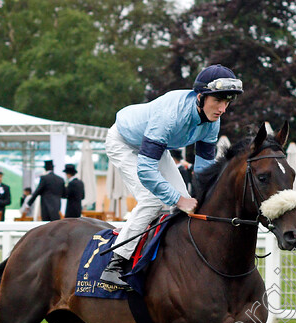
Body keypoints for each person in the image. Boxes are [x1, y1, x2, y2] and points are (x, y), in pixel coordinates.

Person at [100, 64, 243, 287]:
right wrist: (178, 199)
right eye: (218, 100)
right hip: (123, 142)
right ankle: (115, 263)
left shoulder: (212, 123)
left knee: (186, 199)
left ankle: (169, 254)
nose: (222, 108)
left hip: (156, 147)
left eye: (227, 102)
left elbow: (203, 172)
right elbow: (146, 171)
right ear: (200, 97)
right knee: (153, 200)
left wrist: (204, 201)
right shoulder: (170, 115)